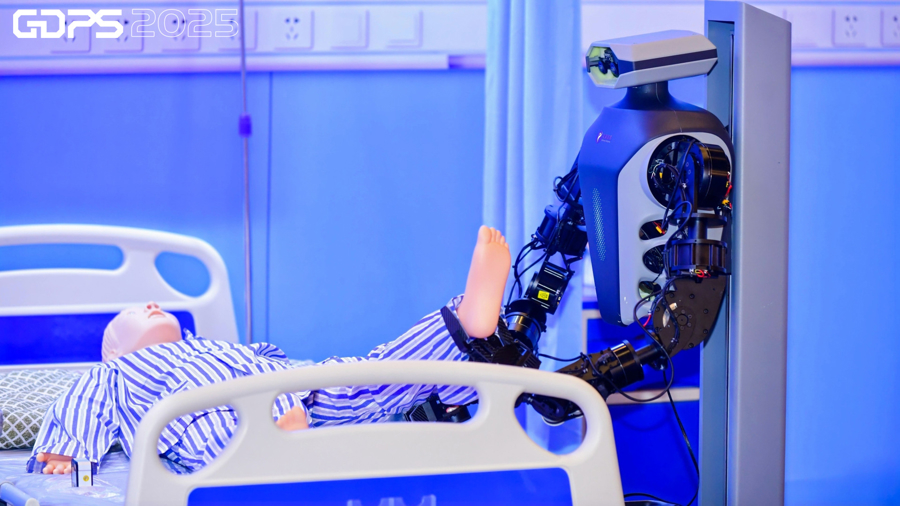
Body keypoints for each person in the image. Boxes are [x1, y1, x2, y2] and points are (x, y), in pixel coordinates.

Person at [29, 226, 511, 475]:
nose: (153, 305)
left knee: (375, 373)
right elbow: (83, 406)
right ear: (113, 352)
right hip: (202, 412)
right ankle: (269, 450)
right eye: (137, 311)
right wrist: (66, 452)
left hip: (296, 393)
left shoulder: (212, 346)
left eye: (153, 304)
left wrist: (307, 374)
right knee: (211, 434)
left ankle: (463, 323)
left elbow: (269, 357)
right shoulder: (115, 373)